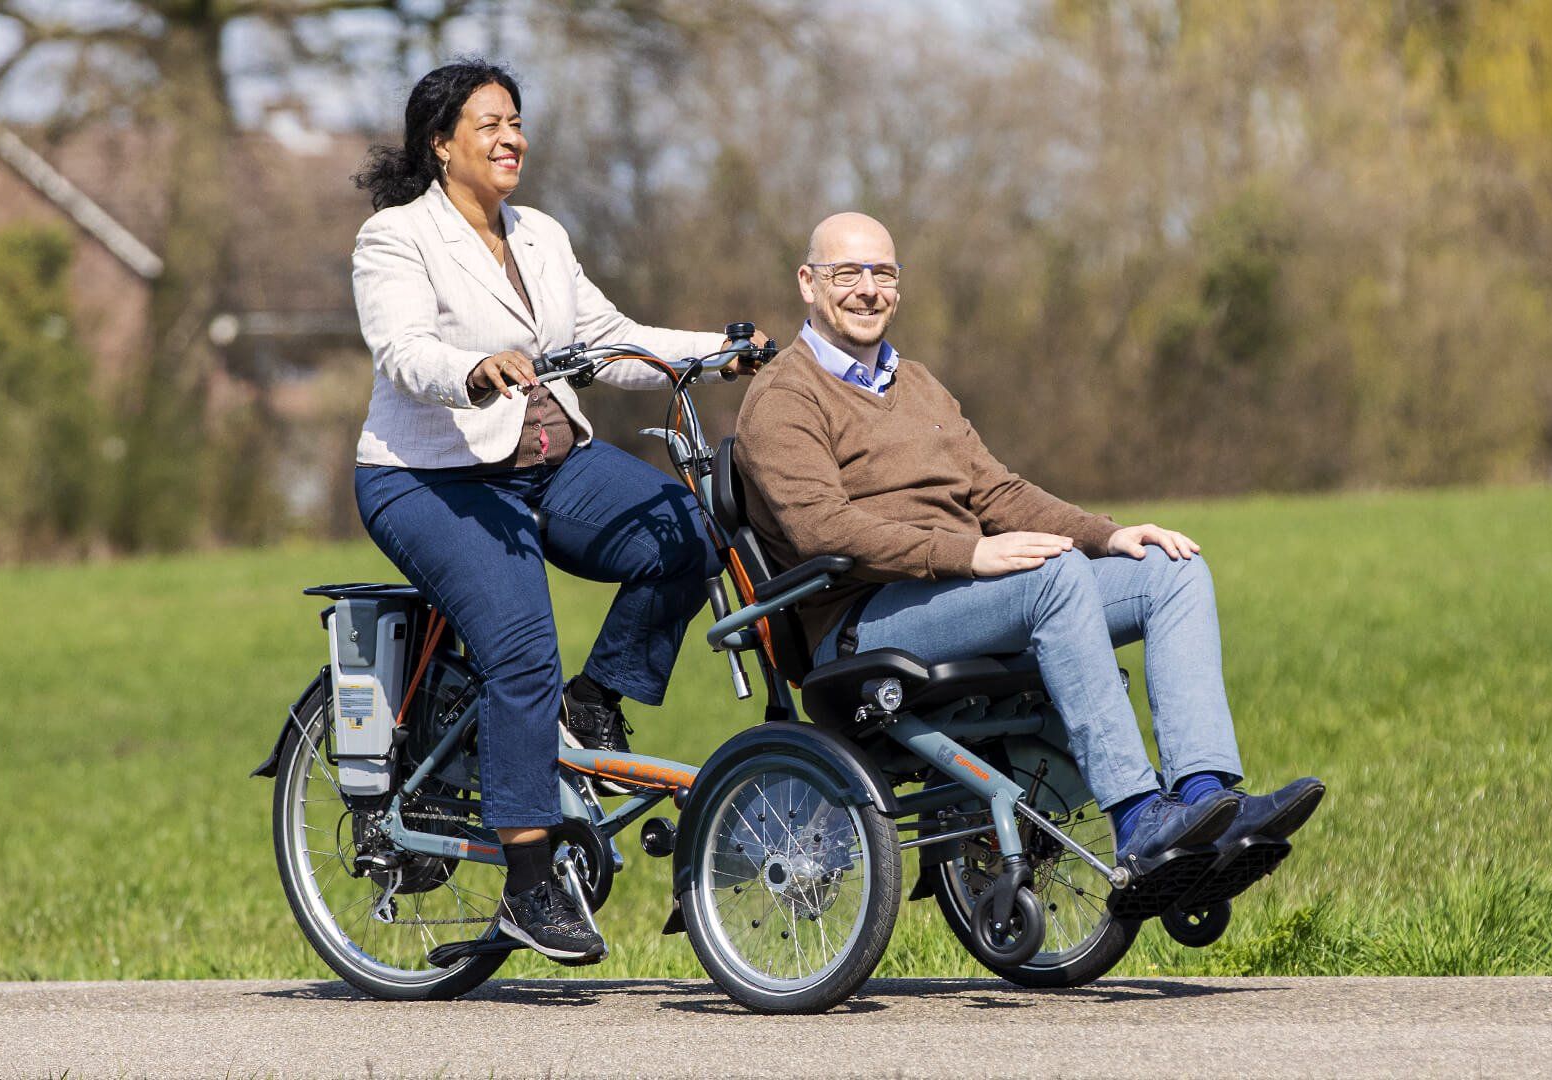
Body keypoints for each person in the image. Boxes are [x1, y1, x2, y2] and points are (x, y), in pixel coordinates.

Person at [734, 212, 1325, 916]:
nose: (867, 290)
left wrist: (1107, 536)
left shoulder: (919, 385)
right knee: (1051, 577)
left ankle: (1206, 802)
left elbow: (998, 492)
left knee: (1173, 569)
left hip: (964, 596)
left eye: (883, 273)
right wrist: (969, 553)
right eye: (846, 273)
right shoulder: (783, 397)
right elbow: (818, 527)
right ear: (808, 283)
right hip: (863, 620)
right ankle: (1138, 817)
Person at [349, 60, 766, 962]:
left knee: (690, 531)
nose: (511, 138)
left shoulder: (539, 234)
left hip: (549, 464)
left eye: (518, 122)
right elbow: (402, 350)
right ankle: (529, 885)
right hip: (434, 478)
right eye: (490, 123)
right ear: (440, 142)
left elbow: (609, 340)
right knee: (519, 645)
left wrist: (715, 353)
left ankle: (596, 698)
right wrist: (472, 369)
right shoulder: (396, 238)